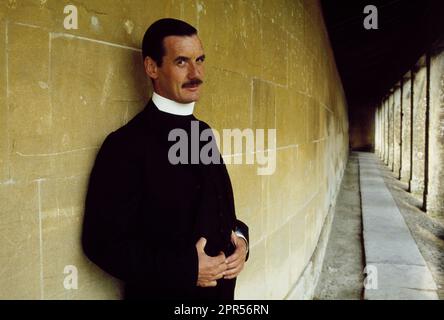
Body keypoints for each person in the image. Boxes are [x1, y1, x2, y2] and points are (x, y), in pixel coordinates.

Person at [82, 18, 249, 300]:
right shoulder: (125, 145)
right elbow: (100, 243)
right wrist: (186, 269)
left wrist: (242, 242)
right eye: (182, 62)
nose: (196, 73)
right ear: (152, 67)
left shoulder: (203, 133)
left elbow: (221, 210)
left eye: (200, 59)